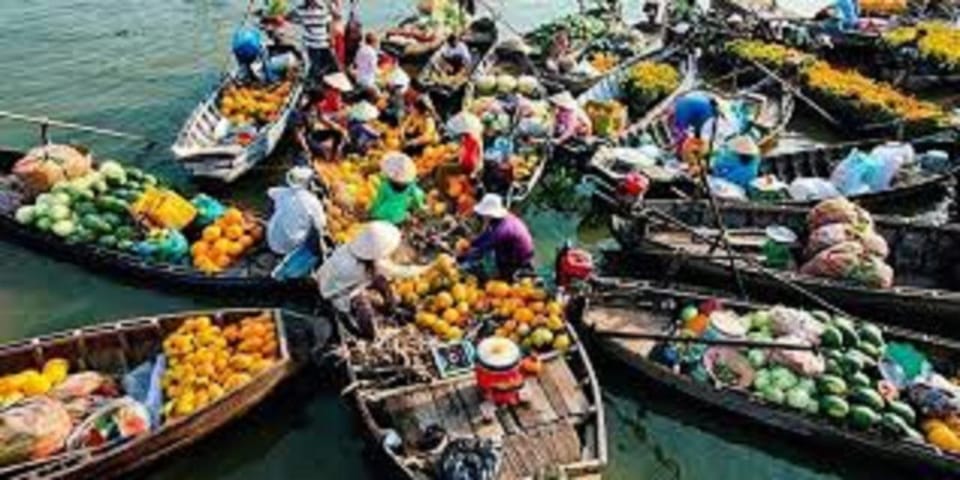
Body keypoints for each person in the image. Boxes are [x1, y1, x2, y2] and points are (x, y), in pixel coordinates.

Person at [317, 221, 425, 339]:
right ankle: (368, 334)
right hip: (335, 293)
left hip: (331, 279)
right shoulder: (359, 267)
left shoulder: (349, 249)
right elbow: (401, 272)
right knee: (363, 306)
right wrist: (428, 268)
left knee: (381, 281)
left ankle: (390, 308)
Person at [459, 193, 535, 280]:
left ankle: (501, 277)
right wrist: (472, 243)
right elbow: (485, 236)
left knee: (480, 261)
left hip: (519, 259)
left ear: (490, 214)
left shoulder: (501, 231)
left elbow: (482, 248)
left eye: (484, 214)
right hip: (520, 252)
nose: (482, 216)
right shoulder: (505, 219)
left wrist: (461, 257)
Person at [266, 166, 327, 256]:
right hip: (290, 245)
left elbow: (270, 191)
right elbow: (321, 224)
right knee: (315, 231)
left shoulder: (283, 193)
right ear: (308, 184)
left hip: (271, 238)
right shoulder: (312, 202)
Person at [296, 72, 353, 163]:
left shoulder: (316, 108)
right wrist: (306, 149)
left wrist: (340, 129)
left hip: (314, 134)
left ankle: (333, 157)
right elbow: (299, 135)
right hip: (308, 138)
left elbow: (323, 119)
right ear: (317, 101)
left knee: (338, 134)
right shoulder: (303, 113)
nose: (323, 103)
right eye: (322, 101)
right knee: (322, 153)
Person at [368, 152, 426, 225]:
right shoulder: (410, 185)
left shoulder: (385, 185)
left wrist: (371, 213)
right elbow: (417, 197)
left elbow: (378, 201)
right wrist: (420, 206)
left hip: (382, 215)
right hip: (398, 216)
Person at [291, 0, 337, 82]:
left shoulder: (323, 6)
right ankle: (313, 85)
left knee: (332, 69)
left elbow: (330, 22)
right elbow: (288, 17)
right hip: (310, 45)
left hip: (324, 43)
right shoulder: (300, 9)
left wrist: (331, 37)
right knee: (315, 70)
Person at [447, 111, 484, 178]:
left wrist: (475, 171)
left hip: (469, 166)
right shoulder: (467, 138)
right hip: (467, 164)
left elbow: (479, 155)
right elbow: (462, 152)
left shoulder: (473, 139)